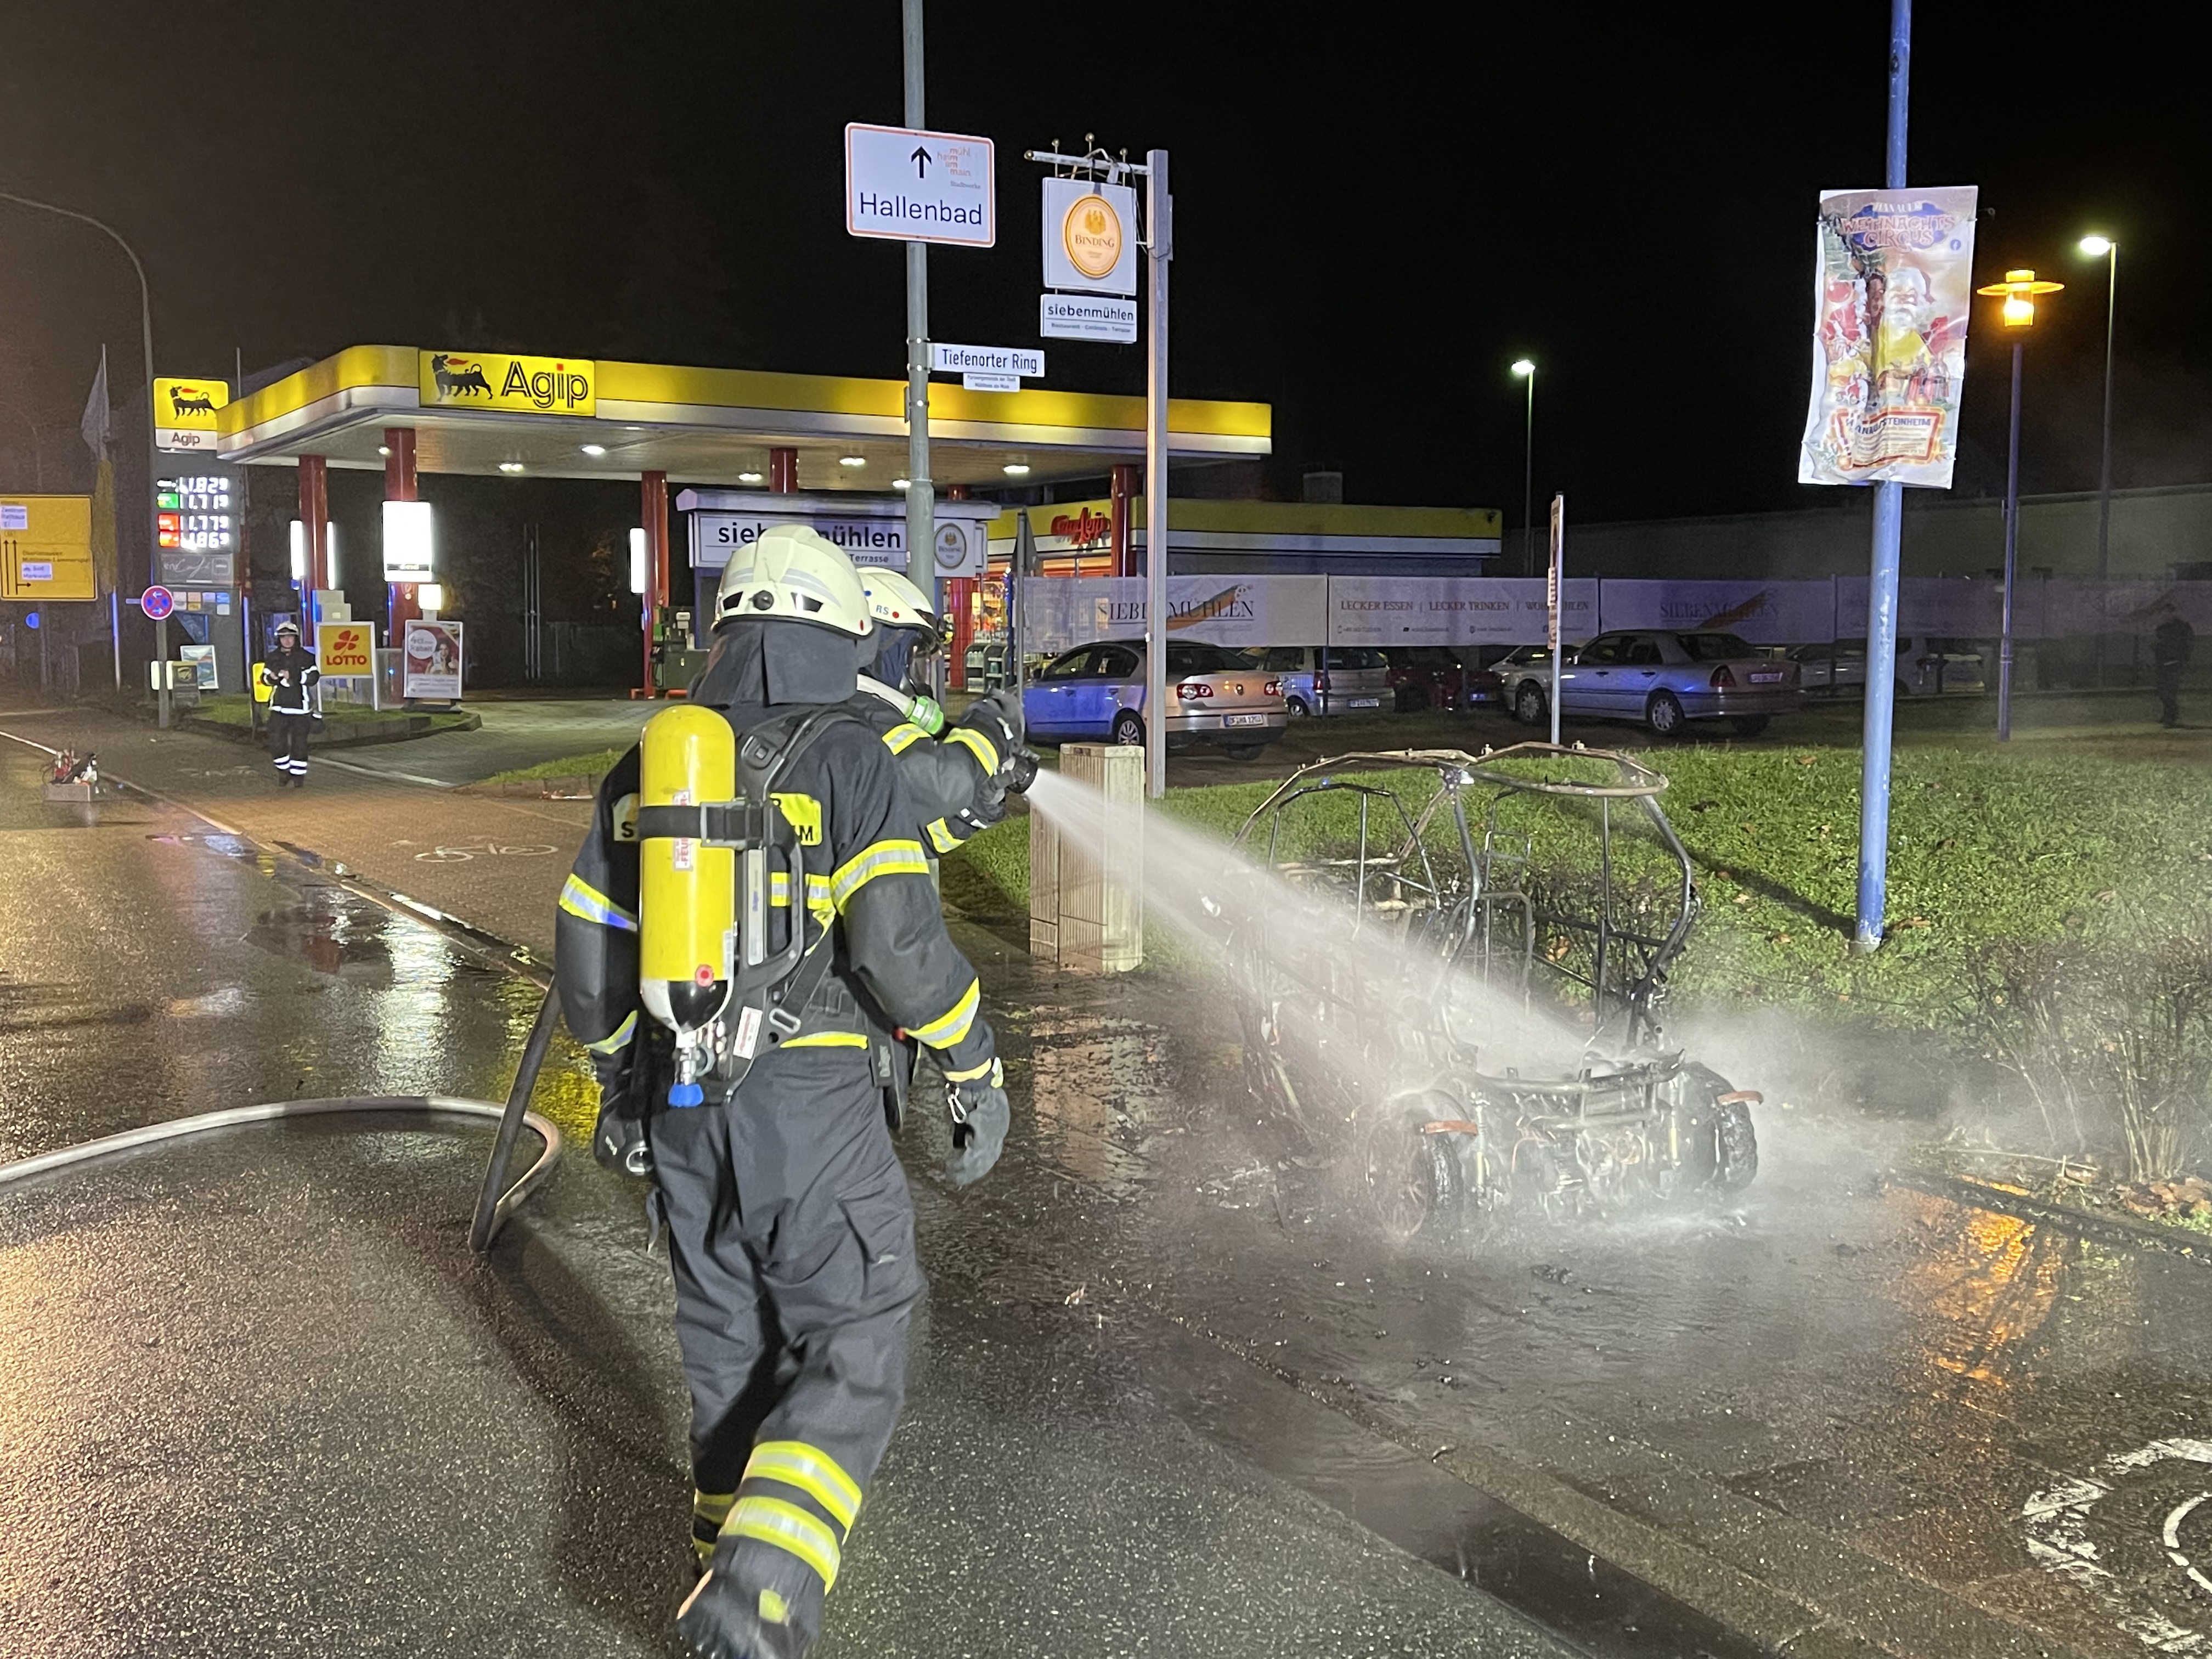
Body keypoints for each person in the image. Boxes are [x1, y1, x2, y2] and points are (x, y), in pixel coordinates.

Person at [554, 525, 1011, 1659]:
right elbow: (901, 952)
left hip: (681, 1104)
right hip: (812, 1103)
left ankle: (716, 1570)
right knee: (859, 1322)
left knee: (728, 1342)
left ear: (727, 634)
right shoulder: (852, 755)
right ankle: (756, 1598)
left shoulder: (652, 765)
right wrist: (974, 1062)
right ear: (841, 637)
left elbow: (585, 947)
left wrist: (622, 1083)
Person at [851, 566, 1035, 859]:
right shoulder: (859, 718)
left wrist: (977, 802)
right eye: (912, 660)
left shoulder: (863, 713)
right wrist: (987, 729)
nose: (918, 678)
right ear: (878, 646)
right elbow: (942, 784)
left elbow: (908, 835)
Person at [258, 621, 320, 787]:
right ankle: (284, 772)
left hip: (301, 709)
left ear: (296, 638)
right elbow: (264, 679)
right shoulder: (273, 657)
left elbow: (314, 677)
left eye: (290, 637)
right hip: (278, 708)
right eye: (284, 637)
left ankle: (298, 777)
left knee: (300, 745)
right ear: (279, 639)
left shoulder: (306, 657)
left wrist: (293, 675)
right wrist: (272, 678)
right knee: (277, 743)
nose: (287, 640)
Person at [2153, 612, 2194, 729]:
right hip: (2165, 664)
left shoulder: (2180, 630)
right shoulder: (2167, 630)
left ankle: (2171, 717)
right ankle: (2168, 715)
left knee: (2169, 692)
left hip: (2174, 663)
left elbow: (2185, 646)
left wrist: (2181, 659)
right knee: (2164, 691)